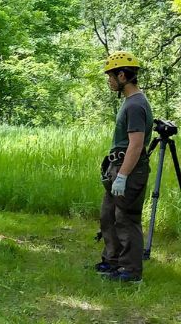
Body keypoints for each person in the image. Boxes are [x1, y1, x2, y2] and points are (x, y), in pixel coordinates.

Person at [96, 51, 152, 283]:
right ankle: (113, 261)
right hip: (116, 165)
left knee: (126, 218)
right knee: (108, 215)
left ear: (122, 75)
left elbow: (136, 144)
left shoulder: (136, 105)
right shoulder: (130, 102)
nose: (109, 81)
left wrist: (123, 176)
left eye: (110, 76)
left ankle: (131, 271)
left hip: (129, 168)